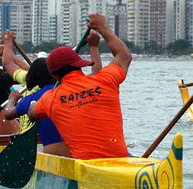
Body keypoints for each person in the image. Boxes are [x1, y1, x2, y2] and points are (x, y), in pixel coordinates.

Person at [27, 13, 132, 160]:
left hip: (87, 167)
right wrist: (102, 27)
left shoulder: (50, 98)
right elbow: (124, 55)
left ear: (55, 76)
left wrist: (32, 104)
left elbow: (32, 112)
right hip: (120, 160)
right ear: (79, 65)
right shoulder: (105, 79)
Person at [0, 30, 102, 156]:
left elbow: (8, 114)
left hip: (43, 148)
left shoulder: (31, 95)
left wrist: (12, 99)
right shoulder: (73, 88)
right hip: (81, 151)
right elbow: (97, 73)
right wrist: (94, 47)